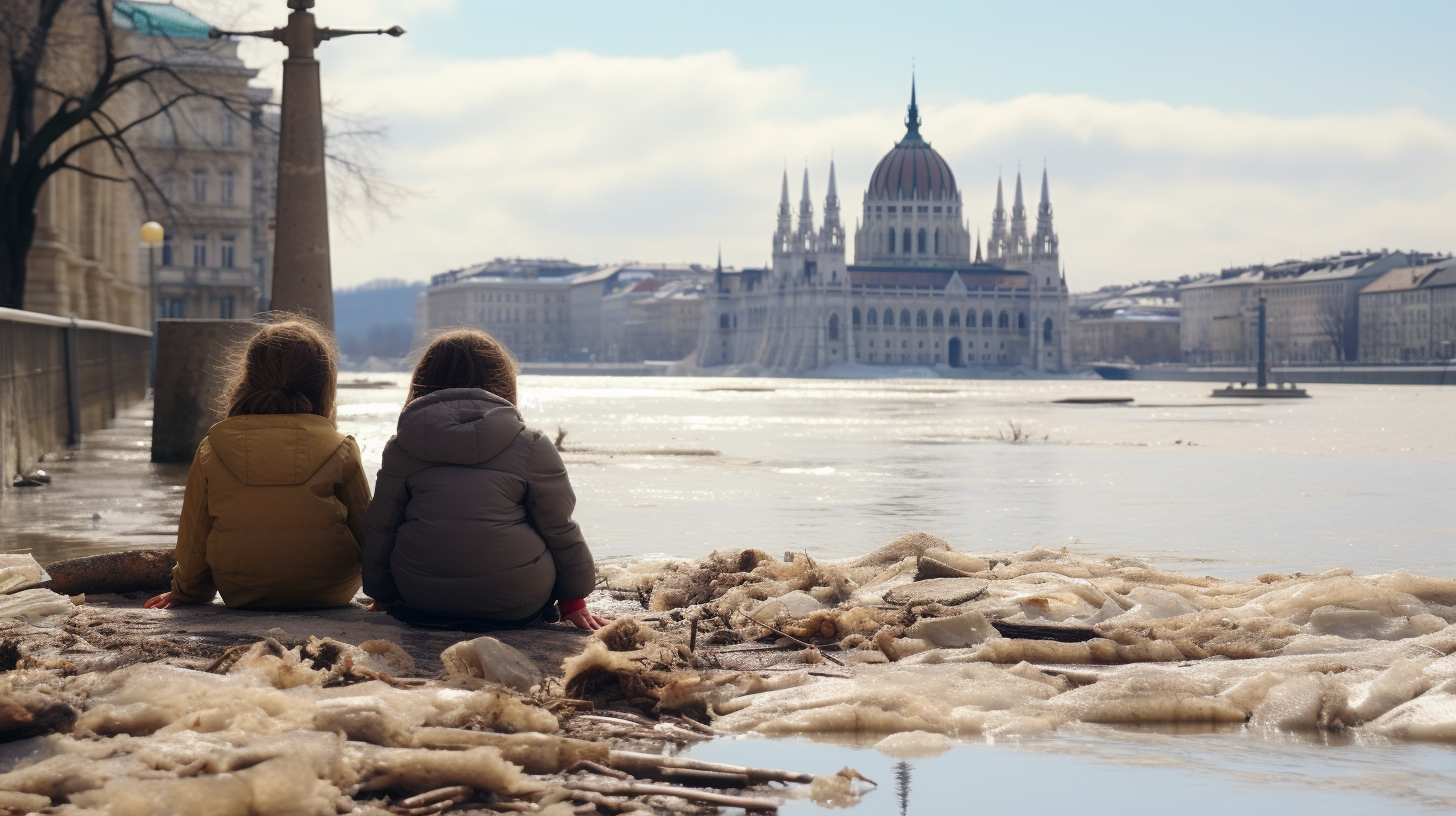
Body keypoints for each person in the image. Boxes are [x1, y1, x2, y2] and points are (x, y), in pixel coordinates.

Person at [362, 329, 607, 631]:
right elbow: (559, 527)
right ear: (505, 384)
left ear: (422, 382)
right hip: (516, 601)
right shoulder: (530, 444)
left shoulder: (402, 447)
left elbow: (382, 528)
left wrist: (383, 594)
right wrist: (573, 600)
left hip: (423, 600)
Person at [145, 318, 370, 609]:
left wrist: (186, 593)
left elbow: (194, 536)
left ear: (248, 377)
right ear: (324, 384)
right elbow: (368, 529)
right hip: (330, 588)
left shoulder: (213, 447)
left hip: (241, 588)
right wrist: (384, 593)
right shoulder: (341, 447)